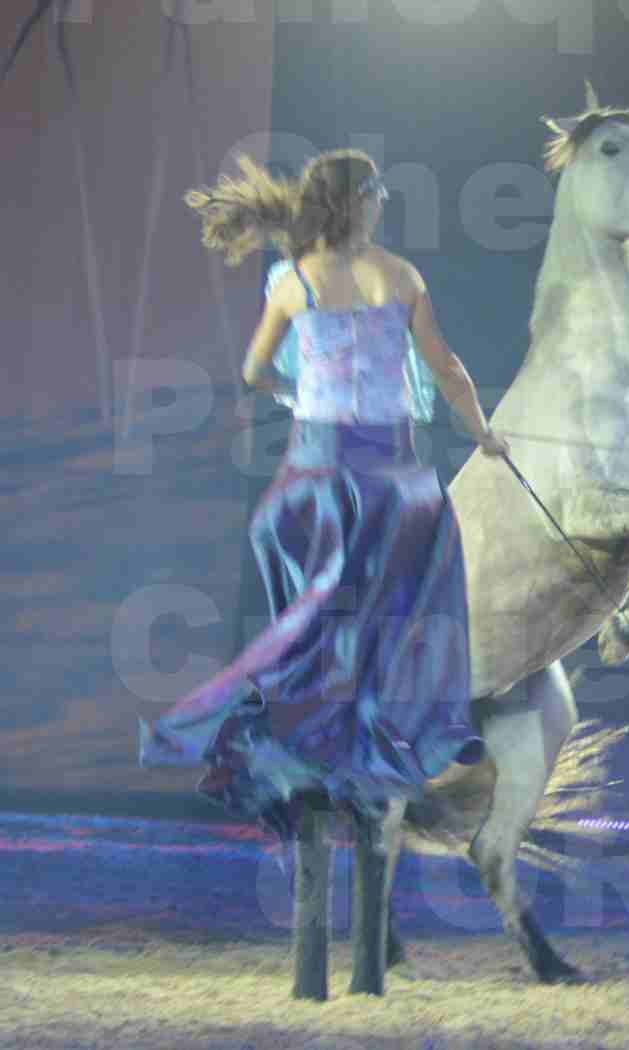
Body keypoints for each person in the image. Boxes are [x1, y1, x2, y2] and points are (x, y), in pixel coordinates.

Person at [138, 149, 510, 845]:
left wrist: (296, 392)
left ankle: (319, 741)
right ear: (358, 201)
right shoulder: (399, 276)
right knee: (407, 598)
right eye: (379, 192)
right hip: (390, 478)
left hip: (313, 478)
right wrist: (484, 434)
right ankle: (377, 742)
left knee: (323, 621)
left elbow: (253, 371)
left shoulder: (293, 283)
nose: (384, 204)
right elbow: (447, 368)